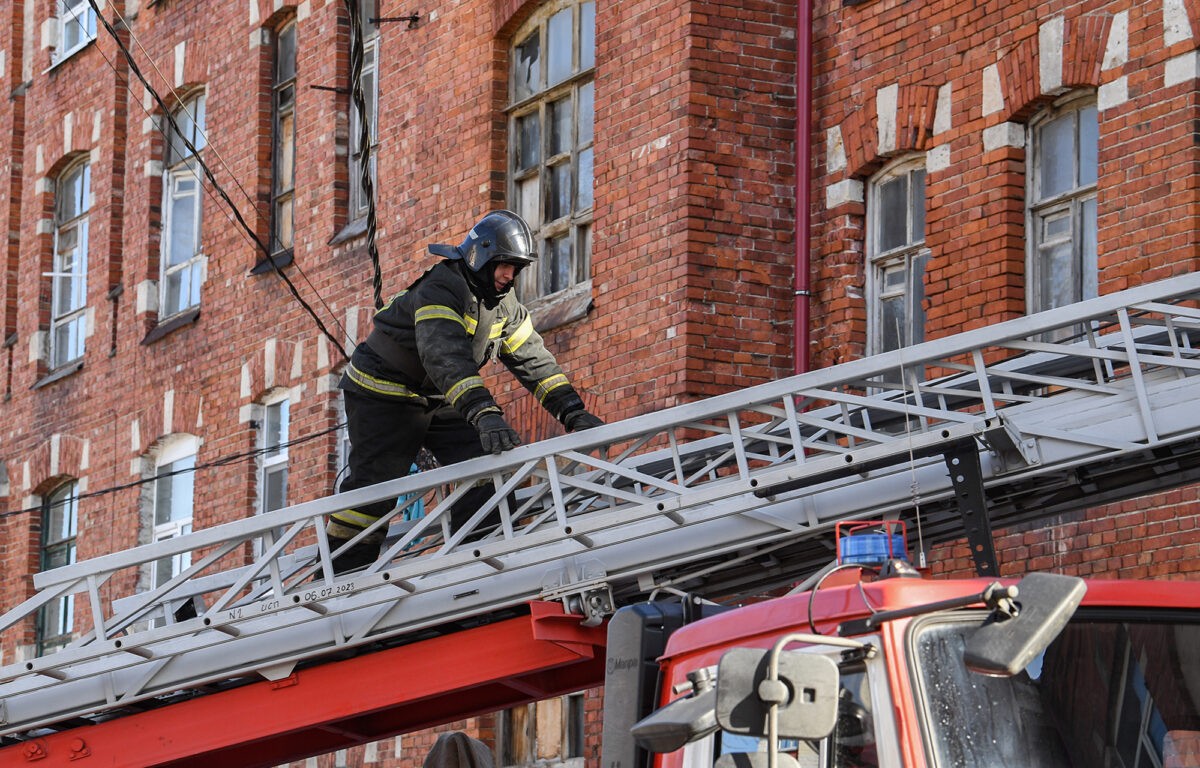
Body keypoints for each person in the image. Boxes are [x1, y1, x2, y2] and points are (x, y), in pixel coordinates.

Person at [324, 210, 603, 574]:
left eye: (516, 268)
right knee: (375, 488)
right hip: (383, 392)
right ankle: (339, 580)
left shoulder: (505, 304)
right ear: (480, 255)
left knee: (488, 462)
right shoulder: (442, 288)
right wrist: (484, 413)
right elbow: (446, 357)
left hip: (439, 396)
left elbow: (533, 359)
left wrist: (571, 410)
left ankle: (477, 565)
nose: (509, 275)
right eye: (504, 265)